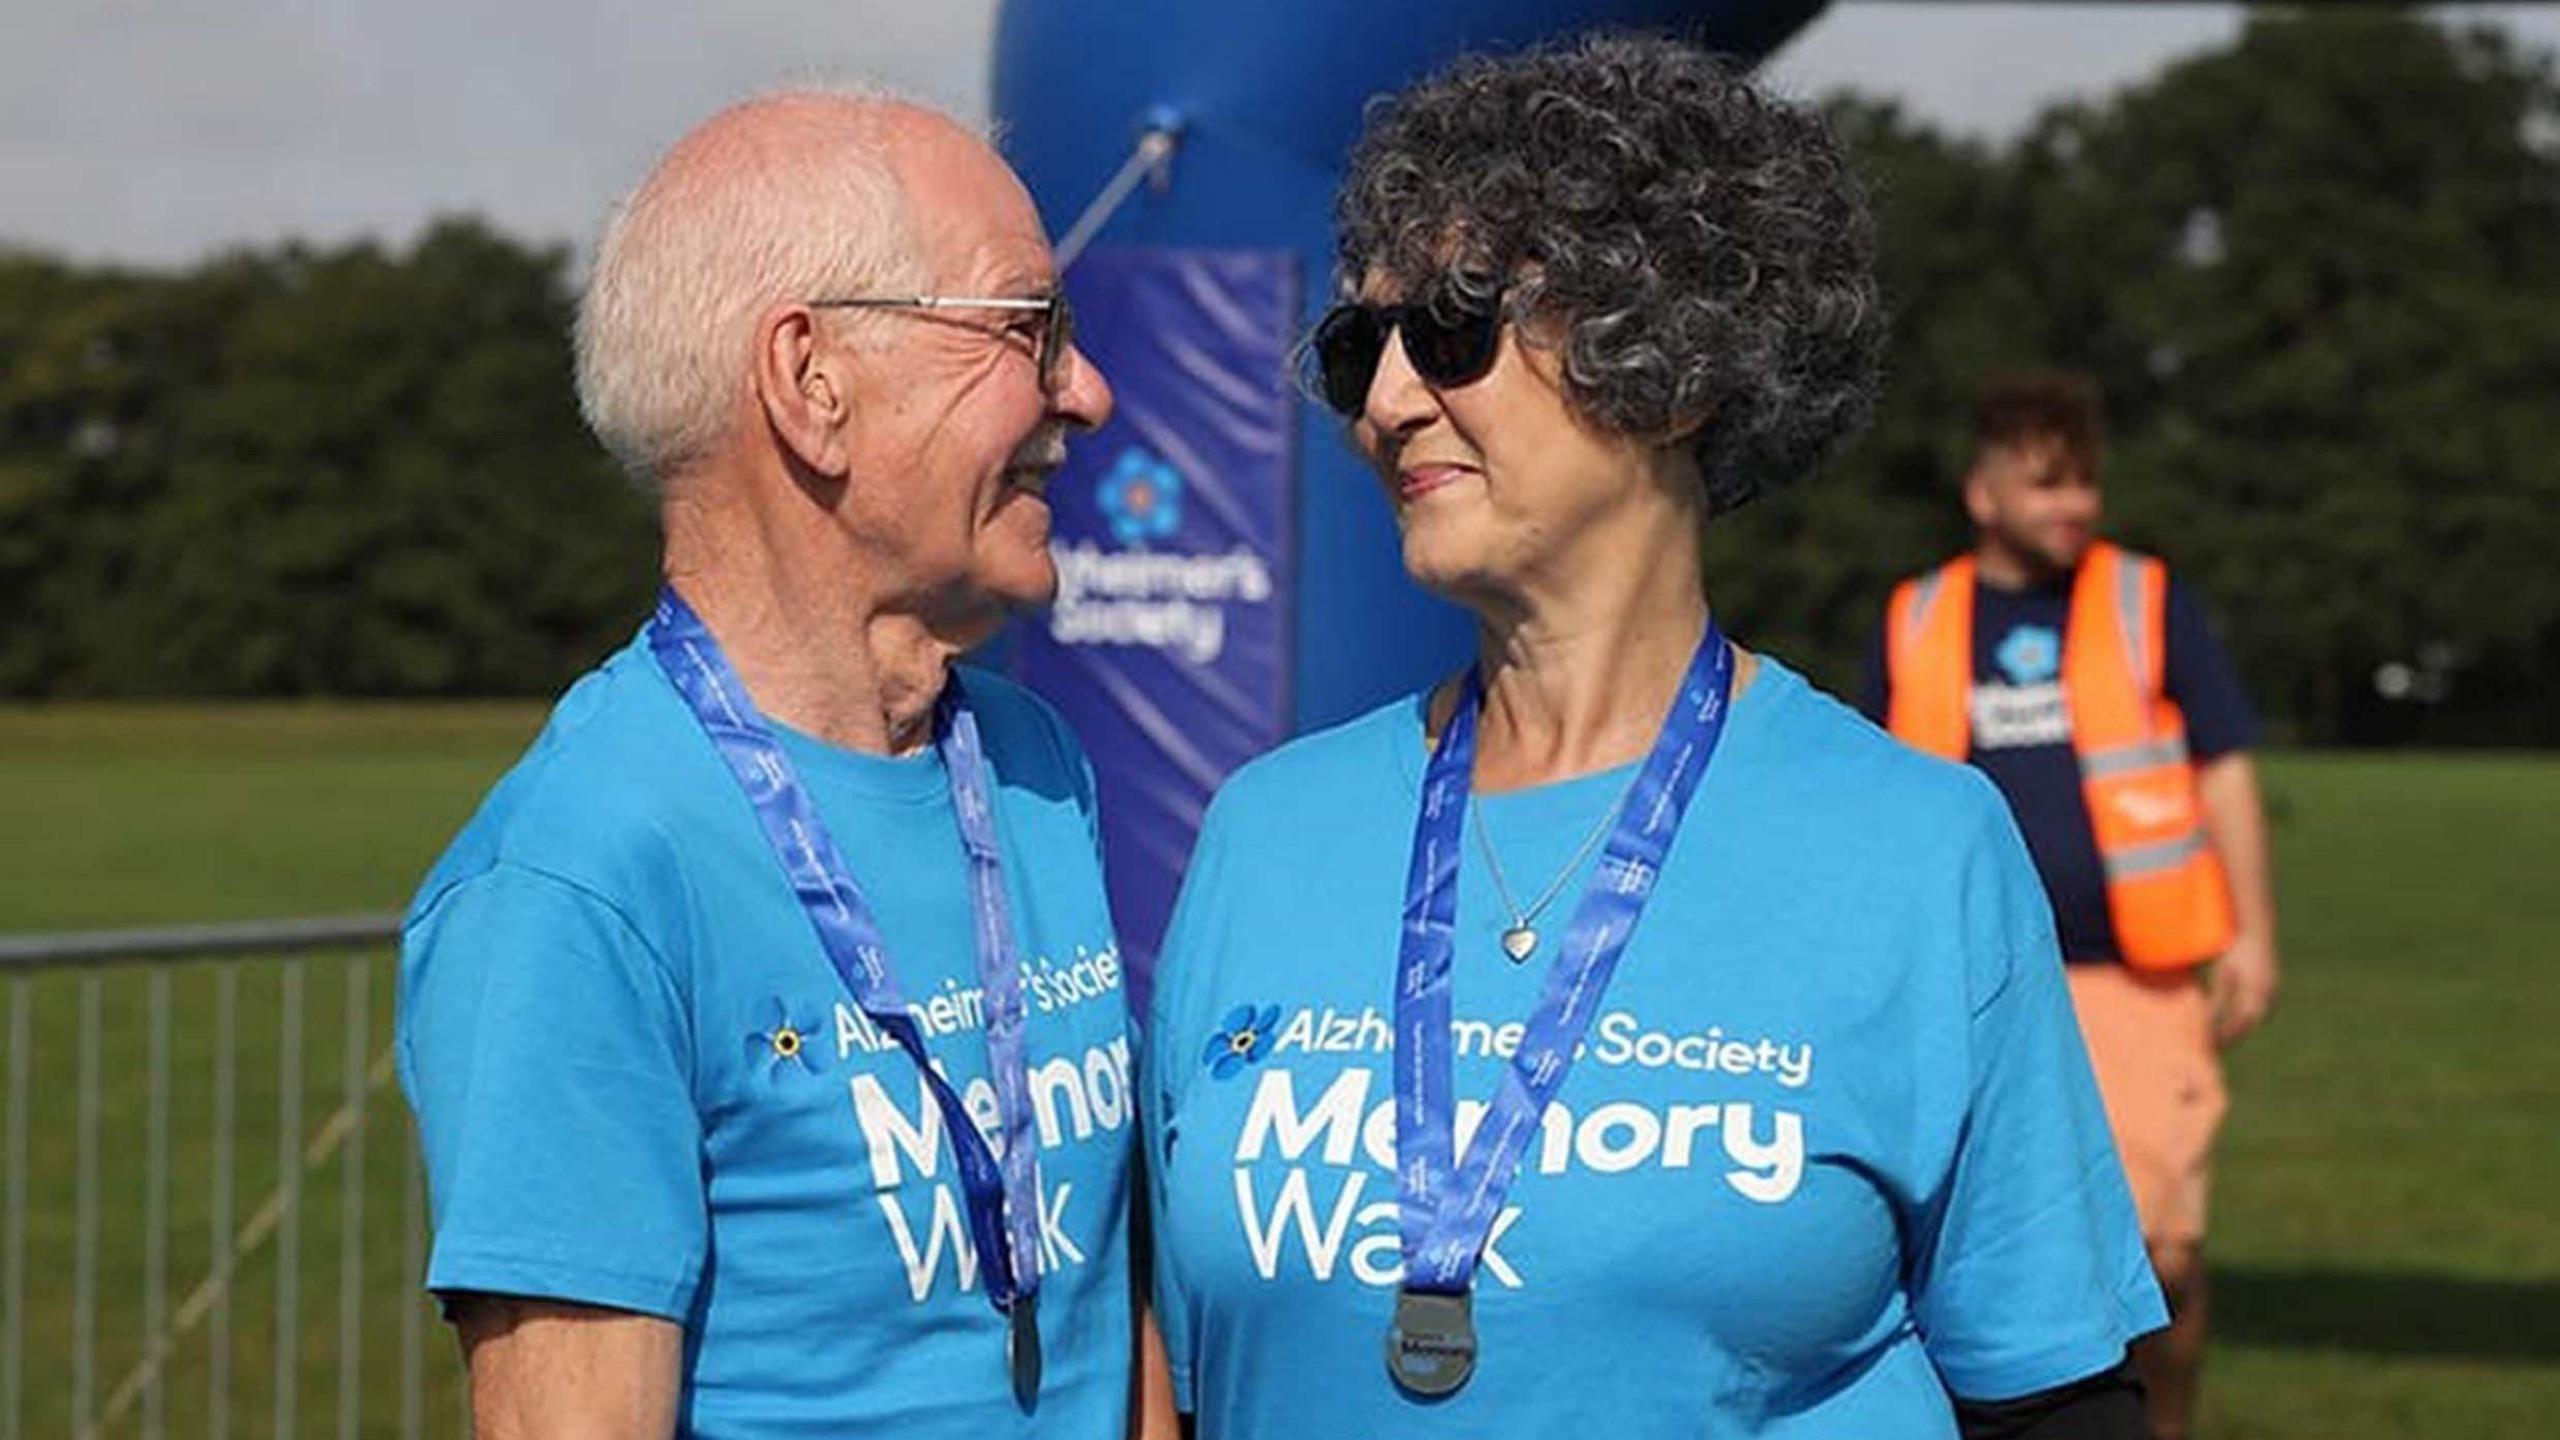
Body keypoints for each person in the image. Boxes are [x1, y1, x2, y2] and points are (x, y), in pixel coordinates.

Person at [1137, 37, 2163, 1440]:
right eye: (1354, 346)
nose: (1383, 402)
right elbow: (1169, 1386)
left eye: (1450, 330)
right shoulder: (1266, 830)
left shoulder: (1920, 852)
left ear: (1673, 365)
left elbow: (2055, 1399)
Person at [396, 88, 1143, 1438]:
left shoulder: (1031, 760)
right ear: (813, 385)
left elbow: (1104, 1298)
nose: (1084, 393)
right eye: (1029, 330)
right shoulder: (582, 872)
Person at [1863, 373, 2280, 1440]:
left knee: (2160, 1258)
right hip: (1970, 985)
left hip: (2131, 978)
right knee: (1972, 1256)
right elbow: (1866, 799)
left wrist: (2252, 933)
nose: (2074, 507)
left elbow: (2223, 768)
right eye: (2047, 485)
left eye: (2085, 484)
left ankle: (2164, 1421)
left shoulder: (2145, 599)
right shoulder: (1916, 616)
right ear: (1982, 492)